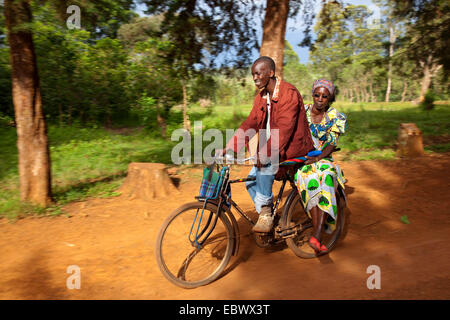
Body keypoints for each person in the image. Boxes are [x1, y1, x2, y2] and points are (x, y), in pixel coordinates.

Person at [218, 56, 314, 233]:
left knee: (263, 167)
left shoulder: (288, 93)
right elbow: (250, 124)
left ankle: (266, 214)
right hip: (273, 149)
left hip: (292, 150)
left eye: (258, 73)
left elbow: (284, 131)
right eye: (252, 74)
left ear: (271, 73)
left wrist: (265, 153)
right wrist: (230, 146)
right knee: (250, 183)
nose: (254, 78)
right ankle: (274, 218)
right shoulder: (262, 97)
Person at [296, 79, 347, 255]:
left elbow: (331, 144)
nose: (320, 99)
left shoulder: (335, 117)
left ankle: (316, 234)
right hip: (303, 160)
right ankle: (317, 235)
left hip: (324, 159)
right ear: (312, 95)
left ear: (330, 98)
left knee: (325, 176)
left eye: (324, 96)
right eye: (317, 95)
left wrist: (317, 159)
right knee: (309, 178)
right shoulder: (302, 112)